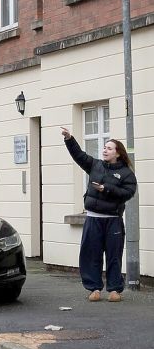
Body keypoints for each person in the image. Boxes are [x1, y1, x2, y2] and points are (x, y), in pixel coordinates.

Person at [61, 127, 137, 302]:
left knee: (113, 256)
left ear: (118, 153)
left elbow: (129, 193)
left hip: (113, 221)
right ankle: (94, 288)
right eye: (104, 147)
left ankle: (115, 290)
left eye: (109, 148)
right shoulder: (95, 165)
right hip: (93, 219)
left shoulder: (126, 173)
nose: (105, 150)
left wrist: (107, 189)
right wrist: (69, 138)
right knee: (91, 255)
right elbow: (79, 155)